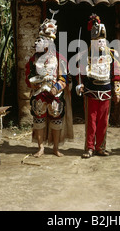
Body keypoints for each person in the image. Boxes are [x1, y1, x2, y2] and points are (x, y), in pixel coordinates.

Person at [25, 14, 73, 157]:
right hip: (39, 91)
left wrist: (57, 87)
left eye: (44, 40)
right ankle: (40, 147)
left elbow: (65, 77)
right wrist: (34, 82)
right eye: (40, 40)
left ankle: (56, 147)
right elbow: (28, 76)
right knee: (39, 118)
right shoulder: (33, 59)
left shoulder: (59, 58)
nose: (40, 43)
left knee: (56, 118)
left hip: (54, 93)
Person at [76, 14, 120, 158]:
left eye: (102, 40)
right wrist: (80, 85)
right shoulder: (85, 55)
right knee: (91, 122)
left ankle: (100, 147)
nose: (100, 43)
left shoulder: (112, 55)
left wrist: (118, 92)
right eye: (97, 41)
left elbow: (117, 74)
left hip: (106, 92)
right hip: (91, 92)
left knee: (103, 122)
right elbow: (80, 73)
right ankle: (89, 147)